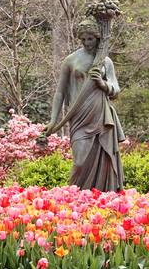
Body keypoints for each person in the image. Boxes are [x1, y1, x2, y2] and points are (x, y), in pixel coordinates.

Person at [45, 17, 125, 192]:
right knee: (80, 162)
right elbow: (60, 92)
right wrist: (53, 120)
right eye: (83, 39)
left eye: (90, 38)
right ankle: (74, 199)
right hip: (79, 116)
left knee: (103, 160)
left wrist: (102, 84)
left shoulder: (105, 61)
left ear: (97, 37)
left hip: (101, 116)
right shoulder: (71, 60)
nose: (87, 42)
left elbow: (116, 89)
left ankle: (99, 201)